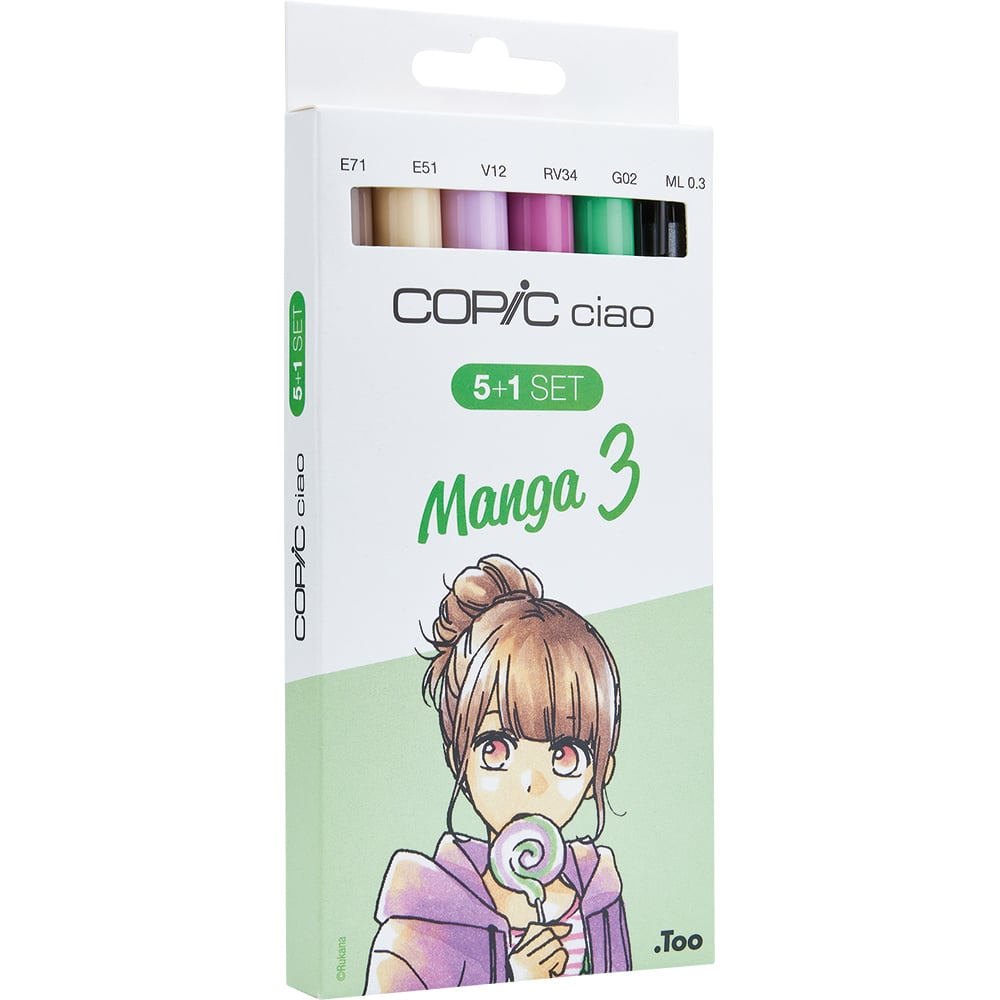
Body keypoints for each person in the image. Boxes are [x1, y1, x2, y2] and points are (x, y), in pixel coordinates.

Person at [364, 554, 630, 992]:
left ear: (598, 774)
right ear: (459, 760)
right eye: (496, 748)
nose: (530, 782)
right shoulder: (421, 928)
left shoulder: (599, 901)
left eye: (564, 754)